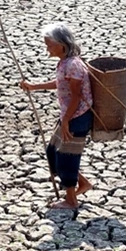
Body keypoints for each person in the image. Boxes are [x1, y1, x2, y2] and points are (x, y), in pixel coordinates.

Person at [20, 23, 94, 209]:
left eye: (49, 45)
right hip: (69, 115)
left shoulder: (74, 65)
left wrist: (67, 120)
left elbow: (76, 96)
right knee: (53, 151)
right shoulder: (64, 63)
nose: (47, 49)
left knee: (67, 157)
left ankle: (71, 200)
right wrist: (34, 86)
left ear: (62, 44)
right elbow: (61, 84)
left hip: (77, 116)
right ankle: (83, 183)